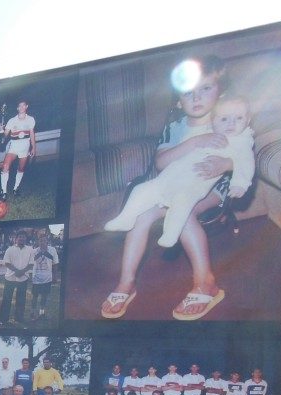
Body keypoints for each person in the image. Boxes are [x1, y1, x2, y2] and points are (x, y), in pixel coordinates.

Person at [100, 55, 236, 321]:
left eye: (205, 88)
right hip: (173, 187)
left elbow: (244, 157)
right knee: (141, 215)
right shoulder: (174, 128)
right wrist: (192, 144)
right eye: (188, 93)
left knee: (181, 212)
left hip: (212, 190)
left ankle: (205, 282)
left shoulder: (229, 121)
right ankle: (126, 282)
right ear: (178, 100)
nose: (196, 98)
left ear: (221, 93)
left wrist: (226, 163)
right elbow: (161, 162)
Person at [106, 94, 254, 250]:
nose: (231, 123)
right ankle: (125, 218)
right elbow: (178, 148)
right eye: (224, 119)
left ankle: (171, 234)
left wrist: (240, 184)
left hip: (193, 185)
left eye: (238, 118)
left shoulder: (242, 141)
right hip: (169, 178)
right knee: (141, 189)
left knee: (182, 204)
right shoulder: (207, 132)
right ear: (214, 120)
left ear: (248, 120)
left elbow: (246, 163)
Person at [0, 100, 36, 199]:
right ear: (17, 108)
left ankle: (16, 189)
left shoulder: (31, 119)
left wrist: (34, 148)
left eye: (23, 105)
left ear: (26, 106)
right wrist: (1, 131)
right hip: (13, 147)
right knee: (5, 166)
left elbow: (32, 134)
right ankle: (4, 192)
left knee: (21, 169)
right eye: (19, 106)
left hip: (25, 148)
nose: (21, 107)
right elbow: (5, 135)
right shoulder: (11, 121)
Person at [0, 231, 33, 325]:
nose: (22, 238)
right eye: (20, 237)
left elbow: (31, 263)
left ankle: (19, 318)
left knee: (21, 299)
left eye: (23, 237)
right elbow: (6, 262)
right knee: (7, 299)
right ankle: (3, 319)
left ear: (26, 238)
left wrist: (22, 272)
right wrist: (16, 271)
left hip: (23, 278)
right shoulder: (10, 249)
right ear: (16, 238)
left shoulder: (30, 249)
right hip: (10, 278)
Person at [30, 230, 59, 320]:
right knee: (35, 296)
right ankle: (33, 313)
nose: (42, 242)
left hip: (47, 278)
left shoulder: (52, 250)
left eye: (44, 240)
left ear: (47, 241)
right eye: (40, 240)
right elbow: (31, 262)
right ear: (38, 242)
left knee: (44, 296)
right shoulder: (34, 251)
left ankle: (41, 313)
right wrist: (41, 252)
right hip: (36, 278)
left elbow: (55, 264)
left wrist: (55, 276)